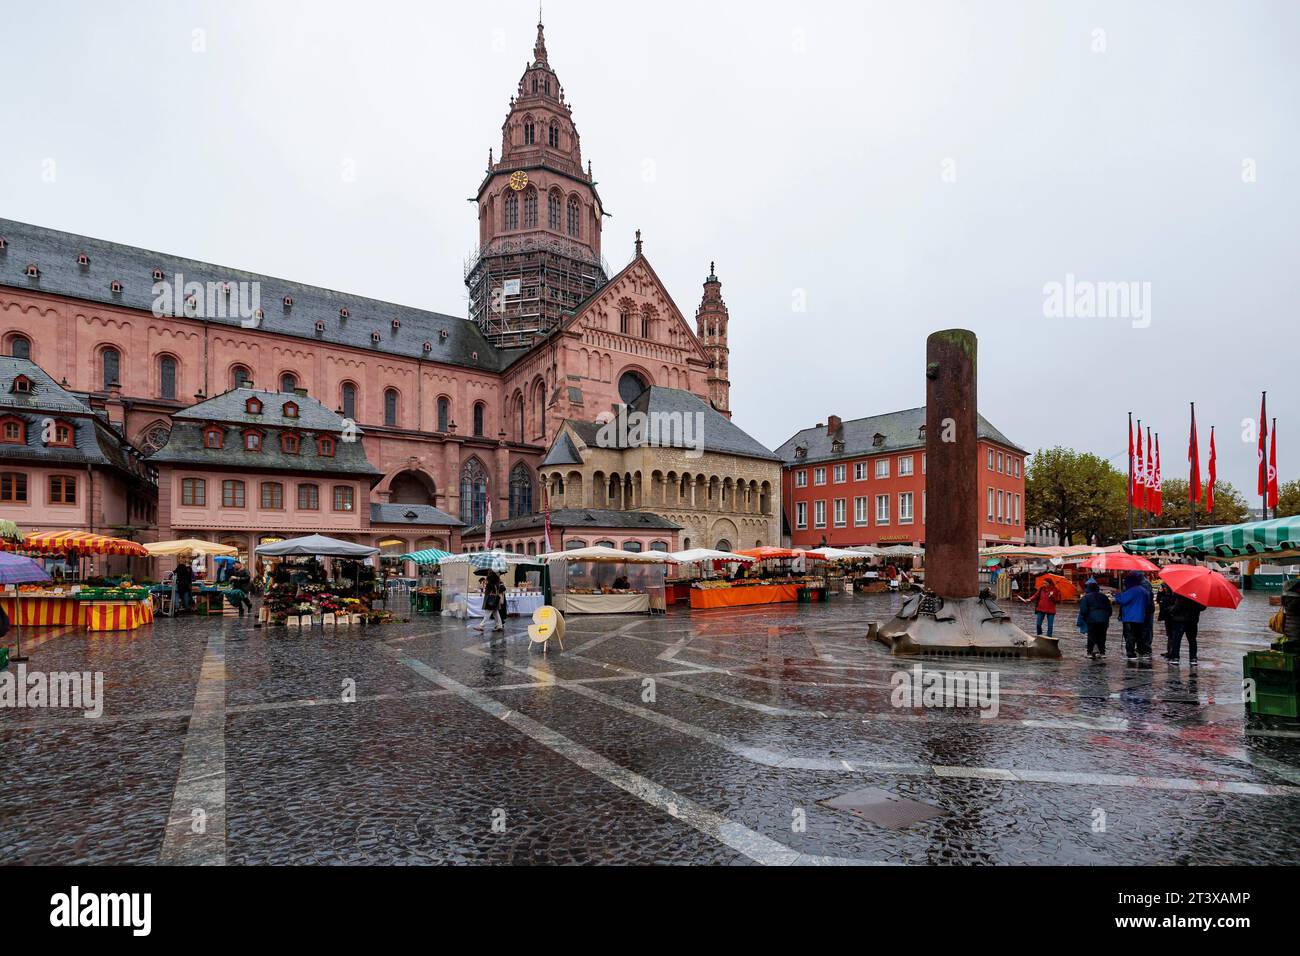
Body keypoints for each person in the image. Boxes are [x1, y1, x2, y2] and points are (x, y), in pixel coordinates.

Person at [1114, 571, 1154, 665]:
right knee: (1140, 636)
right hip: (1141, 617)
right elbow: (1148, 603)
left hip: (1130, 617)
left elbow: (1122, 600)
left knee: (1130, 636)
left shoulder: (1132, 590)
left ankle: (1131, 653)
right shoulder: (1144, 590)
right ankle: (1141, 651)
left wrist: (1117, 594)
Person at [1076, 580, 1112, 659]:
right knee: (1102, 635)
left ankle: (1090, 652)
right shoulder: (1104, 596)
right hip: (1104, 619)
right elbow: (1109, 609)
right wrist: (1106, 616)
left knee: (1092, 635)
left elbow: (1083, 610)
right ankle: (1102, 652)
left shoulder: (1086, 597)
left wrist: (1085, 618)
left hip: (1092, 619)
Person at [1168, 592, 1205, 666]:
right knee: (1192, 640)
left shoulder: (1181, 593)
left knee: (1177, 640)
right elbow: (1203, 607)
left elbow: (1177, 606)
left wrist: (1170, 609)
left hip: (1180, 620)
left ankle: (1175, 658)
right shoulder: (1199, 594)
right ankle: (1193, 658)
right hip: (1192, 621)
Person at [1156, 583, 1177, 659]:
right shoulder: (1164, 589)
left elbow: (1174, 604)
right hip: (1167, 616)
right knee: (1169, 634)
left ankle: (1172, 653)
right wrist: (1160, 592)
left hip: (1172, 616)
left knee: (1172, 634)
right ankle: (1170, 651)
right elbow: (1158, 600)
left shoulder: (1175, 591)